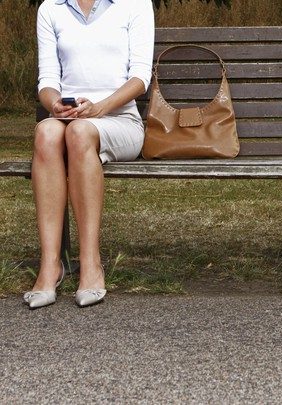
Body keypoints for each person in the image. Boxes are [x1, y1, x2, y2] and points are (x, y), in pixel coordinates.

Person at [23, 0, 154, 308]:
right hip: (70, 119)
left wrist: (100, 108)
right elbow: (47, 82)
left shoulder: (135, 4)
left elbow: (140, 79)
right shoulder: (51, 8)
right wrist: (55, 103)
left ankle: (91, 264)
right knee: (45, 131)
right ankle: (49, 266)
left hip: (119, 120)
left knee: (80, 133)